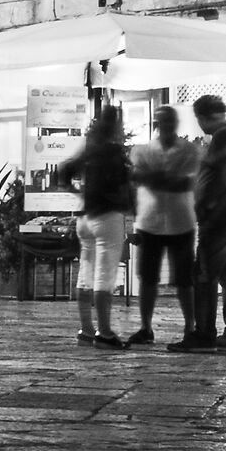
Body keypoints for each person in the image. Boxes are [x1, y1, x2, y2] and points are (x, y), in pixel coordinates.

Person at [171, 94, 226, 355]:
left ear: (203, 116)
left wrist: (207, 208)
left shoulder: (223, 137)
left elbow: (220, 177)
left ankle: (204, 333)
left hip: (220, 218)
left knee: (204, 275)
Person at [56, 110, 135, 348]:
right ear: (116, 128)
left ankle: (86, 329)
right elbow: (125, 187)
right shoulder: (115, 153)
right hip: (107, 217)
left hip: (85, 218)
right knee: (104, 276)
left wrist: (78, 193)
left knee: (86, 273)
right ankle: (105, 332)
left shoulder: (88, 150)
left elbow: (63, 171)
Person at [127, 104, 200, 346]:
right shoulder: (144, 151)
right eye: (160, 122)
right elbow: (136, 179)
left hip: (181, 222)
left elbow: (184, 185)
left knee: (184, 278)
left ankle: (190, 326)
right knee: (147, 278)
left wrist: (152, 177)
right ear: (156, 124)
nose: (164, 126)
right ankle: (146, 327)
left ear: (175, 124)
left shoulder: (188, 151)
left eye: (168, 121)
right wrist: (163, 179)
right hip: (150, 222)